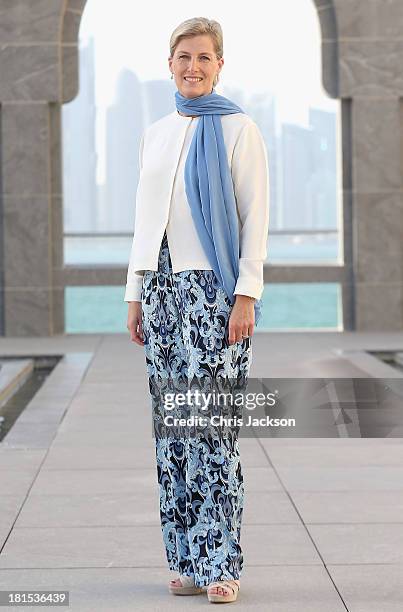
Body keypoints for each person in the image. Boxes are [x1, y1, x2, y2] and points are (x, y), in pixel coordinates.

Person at [125, 16, 269, 605]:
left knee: (211, 430)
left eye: (204, 57)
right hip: (159, 290)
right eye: (183, 56)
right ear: (170, 63)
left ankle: (220, 563)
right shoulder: (156, 132)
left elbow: (254, 216)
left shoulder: (240, 129)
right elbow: (143, 218)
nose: (193, 67)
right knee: (172, 433)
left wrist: (246, 294)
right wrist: (133, 294)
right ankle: (184, 558)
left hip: (215, 291)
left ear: (219, 64)